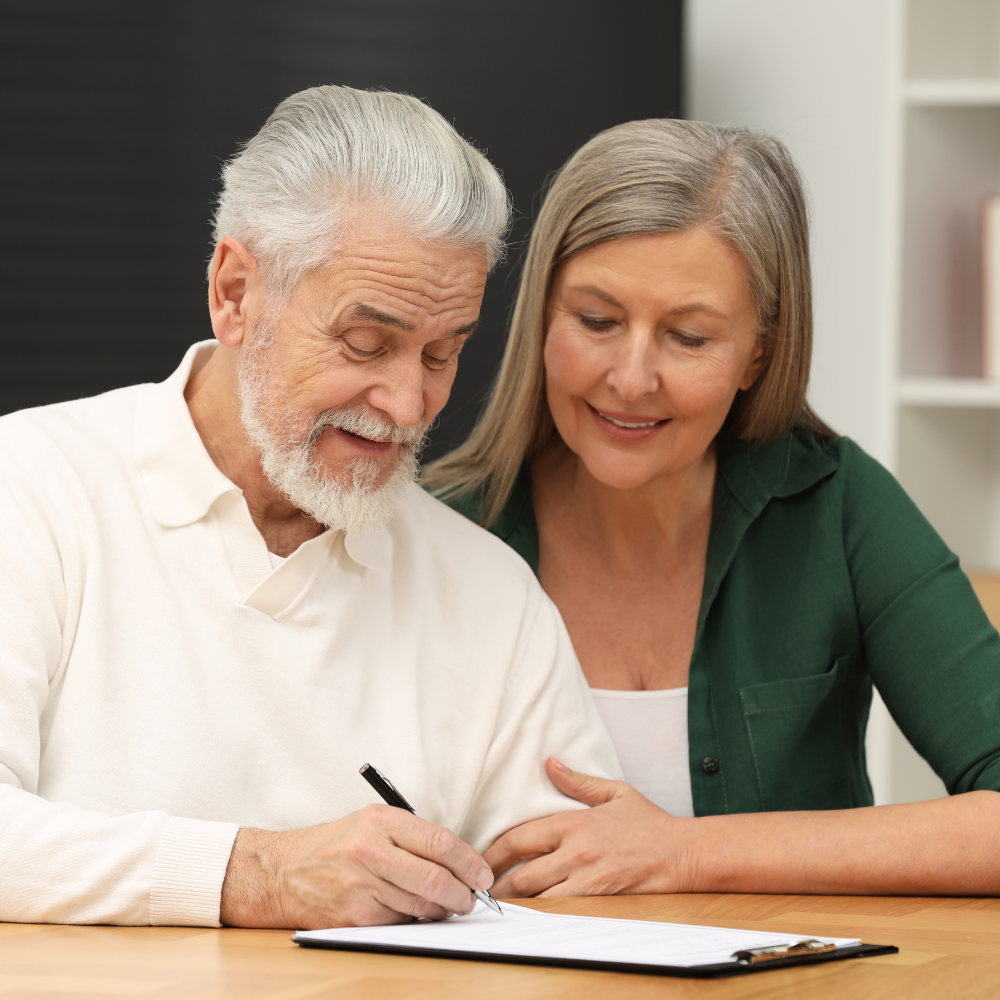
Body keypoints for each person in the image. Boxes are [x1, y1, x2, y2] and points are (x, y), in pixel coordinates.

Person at [0, 85, 620, 929]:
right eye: (366, 344)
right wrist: (257, 875)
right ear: (235, 294)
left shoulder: (489, 595)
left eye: (443, 354)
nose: (409, 405)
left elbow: (571, 904)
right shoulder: (31, 486)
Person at [425, 119, 1000, 898]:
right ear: (541, 316)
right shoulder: (431, 532)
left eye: (688, 337)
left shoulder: (839, 507)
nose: (630, 379)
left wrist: (685, 854)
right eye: (595, 321)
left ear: (757, 354)